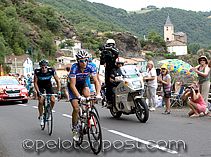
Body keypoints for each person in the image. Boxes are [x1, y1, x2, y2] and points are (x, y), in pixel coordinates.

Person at [68, 50, 101, 141]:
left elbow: (96, 81)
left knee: (88, 93)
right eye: (82, 61)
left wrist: (98, 93)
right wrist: (79, 97)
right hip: (73, 86)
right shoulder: (74, 68)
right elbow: (72, 85)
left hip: (83, 84)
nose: (84, 63)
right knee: (76, 108)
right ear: (78, 61)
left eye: (86, 60)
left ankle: (88, 112)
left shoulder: (91, 67)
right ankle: (75, 128)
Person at [34, 59, 61, 126]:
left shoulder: (51, 70)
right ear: (40, 67)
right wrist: (38, 92)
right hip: (40, 86)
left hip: (48, 85)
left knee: (53, 100)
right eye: (42, 67)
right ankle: (41, 117)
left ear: (47, 67)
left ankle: (49, 112)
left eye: (45, 67)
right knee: (41, 101)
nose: (44, 69)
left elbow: (57, 81)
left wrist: (59, 91)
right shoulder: (37, 71)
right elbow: (35, 83)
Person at [99, 39, 119, 103]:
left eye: (112, 45)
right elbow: (102, 62)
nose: (111, 46)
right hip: (108, 69)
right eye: (109, 45)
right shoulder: (105, 52)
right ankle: (109, 100)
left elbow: (117, 53)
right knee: (108, 84)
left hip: (115, 69)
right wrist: (102, 53)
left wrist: (111, 49)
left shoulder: (115, 50)